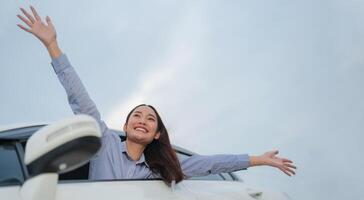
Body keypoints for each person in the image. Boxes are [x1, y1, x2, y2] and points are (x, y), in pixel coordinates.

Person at [17, 6, 296, 185]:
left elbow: (211, 163)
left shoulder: (161, 168)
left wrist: (258, 159)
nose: (142, 120)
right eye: (136, 115)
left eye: (150, 119)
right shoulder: (105, 143)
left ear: (157, 134)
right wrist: (53, 46)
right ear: (125, 127)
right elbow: (80, 98)